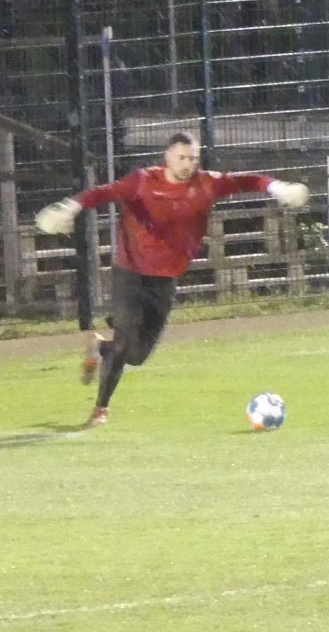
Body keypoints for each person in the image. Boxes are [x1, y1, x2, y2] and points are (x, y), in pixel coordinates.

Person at [35, 133, 309, 425]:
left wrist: (278, 187)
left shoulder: (206, 183)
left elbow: (247, 181)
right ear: (167, 157)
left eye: (193, 158)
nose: (187, 164)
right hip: (130, 274)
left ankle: (100, 347)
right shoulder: (143, 181)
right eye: (181, 157)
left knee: (137, 356)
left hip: (165, 280)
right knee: (125, 344)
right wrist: (71, 207)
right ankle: (101, 408)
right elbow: (104, 193)